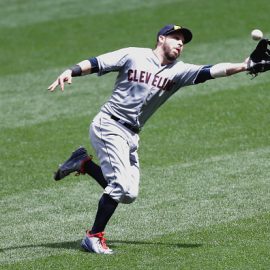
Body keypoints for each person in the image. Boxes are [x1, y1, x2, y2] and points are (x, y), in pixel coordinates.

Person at [48, 24, 250, 254]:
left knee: (129, 194)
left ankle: (83, 163)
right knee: (120, 186)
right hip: (109, 125)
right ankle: (93, 237)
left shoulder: (179, 71)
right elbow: (97, 63)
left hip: (132, 135)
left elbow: (212, 70)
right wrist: (70, 71)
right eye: (176, 38)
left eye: (183, 41)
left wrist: (245, 66)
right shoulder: (134, 55)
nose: (180, 43)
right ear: (161, 38)